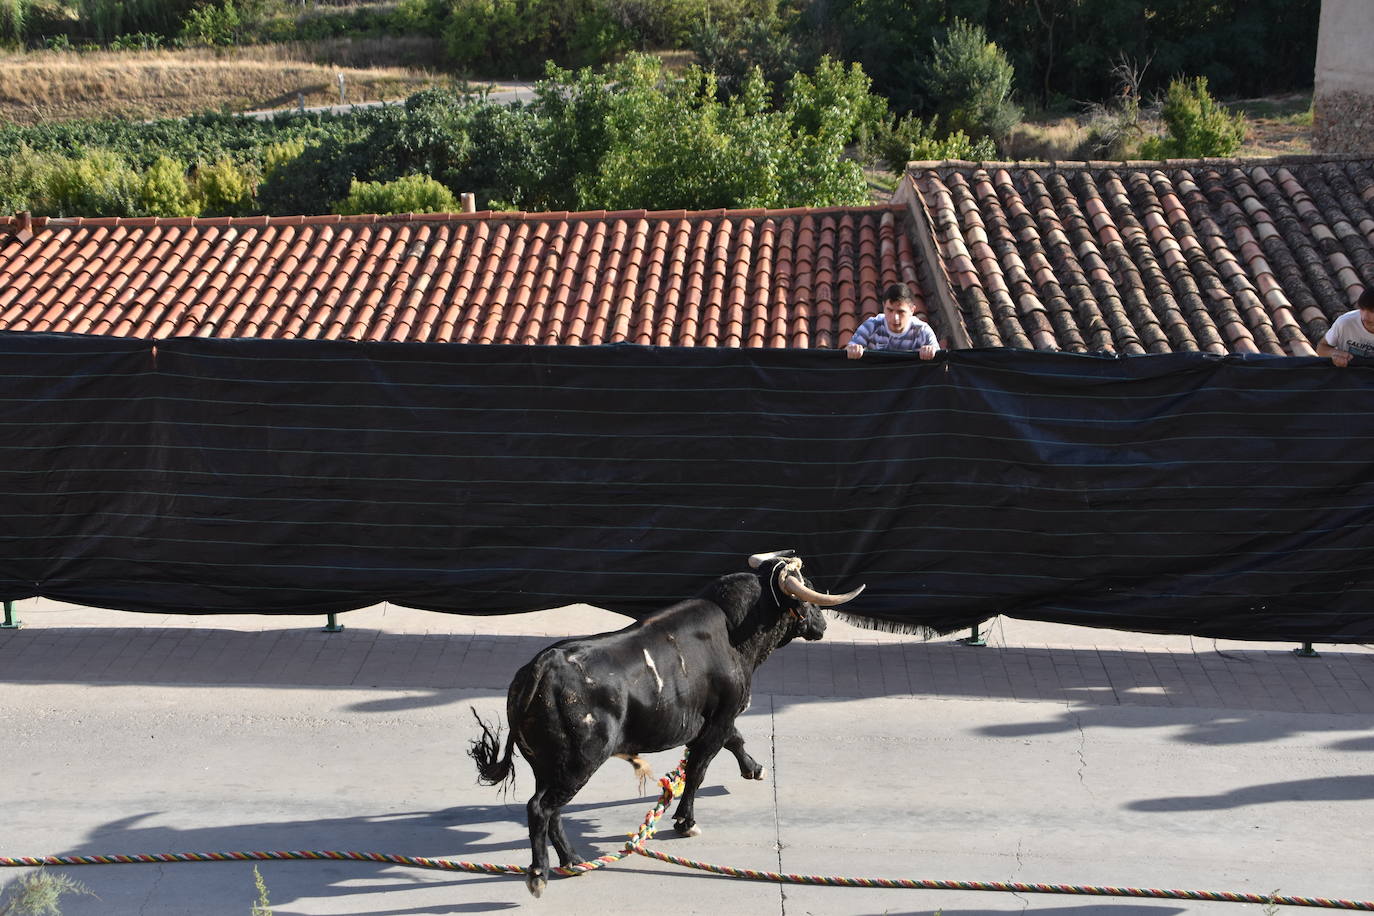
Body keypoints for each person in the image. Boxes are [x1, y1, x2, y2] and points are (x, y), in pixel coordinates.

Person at [845, 283, 939, 360]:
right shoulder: (871, 326)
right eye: (890, 310)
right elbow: (846, 353)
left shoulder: (922, 331)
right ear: (883, 307)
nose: (895, 318)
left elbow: (941, 361)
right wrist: (852, 349)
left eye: (901, 312)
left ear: (912, 310)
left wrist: (932, 351)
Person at [1317, 288, 1374, 367]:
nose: (1364, 317)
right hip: (1344, 374)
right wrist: (1334, 354)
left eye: (1372, 311)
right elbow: (1321, 348)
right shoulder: (1345, 322)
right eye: (1362, 309)